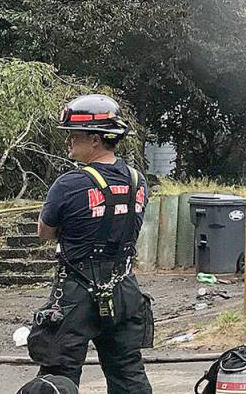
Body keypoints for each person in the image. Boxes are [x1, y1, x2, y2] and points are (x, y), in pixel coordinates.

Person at [27, 94, 152, 393]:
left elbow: (45, 232)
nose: (68, 142)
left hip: (76, 291)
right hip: (124, 289)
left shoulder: (69, 184)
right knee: (128, 373)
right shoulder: (138, 180)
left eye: (74, 135)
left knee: (58, 375)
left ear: (95, 140)